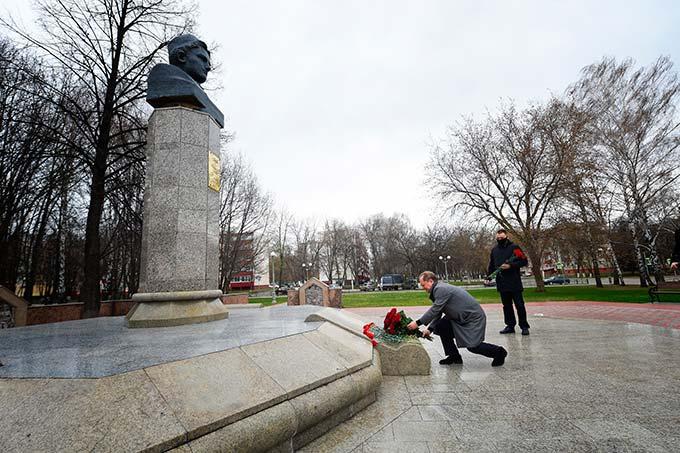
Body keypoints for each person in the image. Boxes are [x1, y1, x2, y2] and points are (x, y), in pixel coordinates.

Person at [407, 271, 507, 367]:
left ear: (431, 281)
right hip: (459, 318)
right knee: (442, 327)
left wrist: (417, 323)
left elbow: (435, 310)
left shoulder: (440, 289)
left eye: (423, 285)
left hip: (472, 319)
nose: (423, 288)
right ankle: (454, 356)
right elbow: (438, 311)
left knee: (473, 346)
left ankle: (499, 352)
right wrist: (430, 329)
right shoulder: (438, 288)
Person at [146, 34, 224, 127]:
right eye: (202, 59)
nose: (208, 67)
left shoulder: (198, 90)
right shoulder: (162, 77)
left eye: (208, 63)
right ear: (181, 56)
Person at [485, 229, 530, 335]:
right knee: (507, 306)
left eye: (502, 237)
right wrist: (488, 276)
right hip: (502, 282)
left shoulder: (514, 248)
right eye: (498, 238)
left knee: (519, 305)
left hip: (514, 281)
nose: (499, 239)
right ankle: (510, 325)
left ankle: (524, 326)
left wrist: (511, 265)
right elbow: (492, 265)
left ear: (506, 236)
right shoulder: (494, 250)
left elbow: (524, 261)